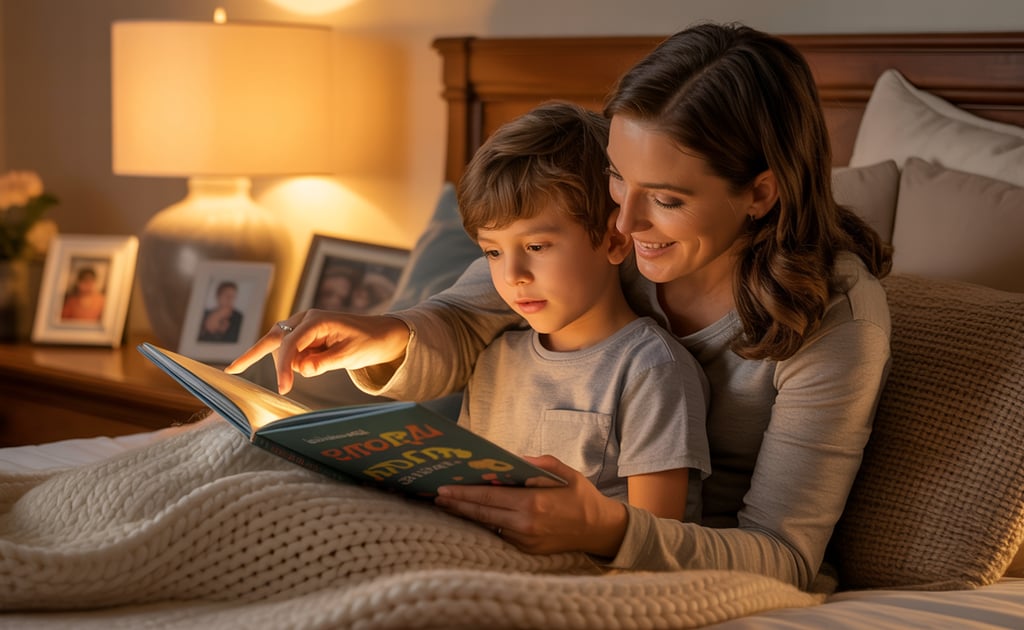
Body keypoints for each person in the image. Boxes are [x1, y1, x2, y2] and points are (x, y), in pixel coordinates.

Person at [228, 22, 893, 591]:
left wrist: (610, 530)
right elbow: (465, 316)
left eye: (665, 199)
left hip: (658, 557)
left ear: (760, 193)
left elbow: (785, 556)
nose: (624, 223)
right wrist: (385, 335)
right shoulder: (597, 232)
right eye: (616, 176)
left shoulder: (835, 320)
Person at [440, 101, 708, 518]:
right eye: (492, 252)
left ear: (615, 241)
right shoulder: (494, 361)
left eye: (536, 247)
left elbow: (656, 540)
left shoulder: (651, 369)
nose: (514, 275)